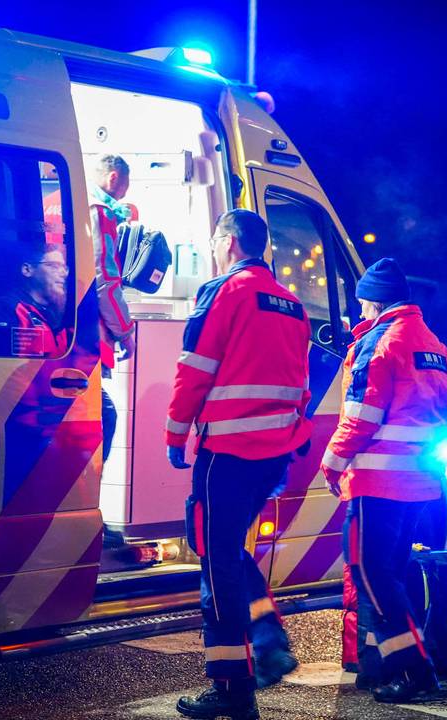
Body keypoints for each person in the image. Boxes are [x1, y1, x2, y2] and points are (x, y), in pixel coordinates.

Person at [166, 209, 311, 720]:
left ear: (228, 242)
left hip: (227, 453)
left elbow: (194, 369)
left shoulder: (223, 292)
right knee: (226, 551)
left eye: (213, 241)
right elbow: (301, 384)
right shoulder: (292, 304)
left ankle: (234, 686)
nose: (212, 249)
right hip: (271, 456)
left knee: (217, 559)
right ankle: (265, 642)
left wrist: (175, 433)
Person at [320, 258, 447, 703]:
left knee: (369, 571)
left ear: (375, 302)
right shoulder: (434, 344)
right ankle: (385, 665)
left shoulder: (378, 342)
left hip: (378, 482)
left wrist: (332, 462)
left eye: (363, 304)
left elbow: (361, 416)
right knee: (390, 573)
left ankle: (414, 669)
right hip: (419, 481)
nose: (360, 311)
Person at [90, 154, 136, 462]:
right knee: (105, 416)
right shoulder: (100, 212)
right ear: (114, 178)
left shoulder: (59, 200)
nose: (125, 194)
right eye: (126, 185)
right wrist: (125, 332)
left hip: (58, 323)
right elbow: (105, 280)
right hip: (87, 331)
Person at [0, 242, 71, 357]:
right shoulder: (5, 308)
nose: (63, 274)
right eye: (54, 266)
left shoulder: (57, 313)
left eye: (64, 268)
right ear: (27, 270)